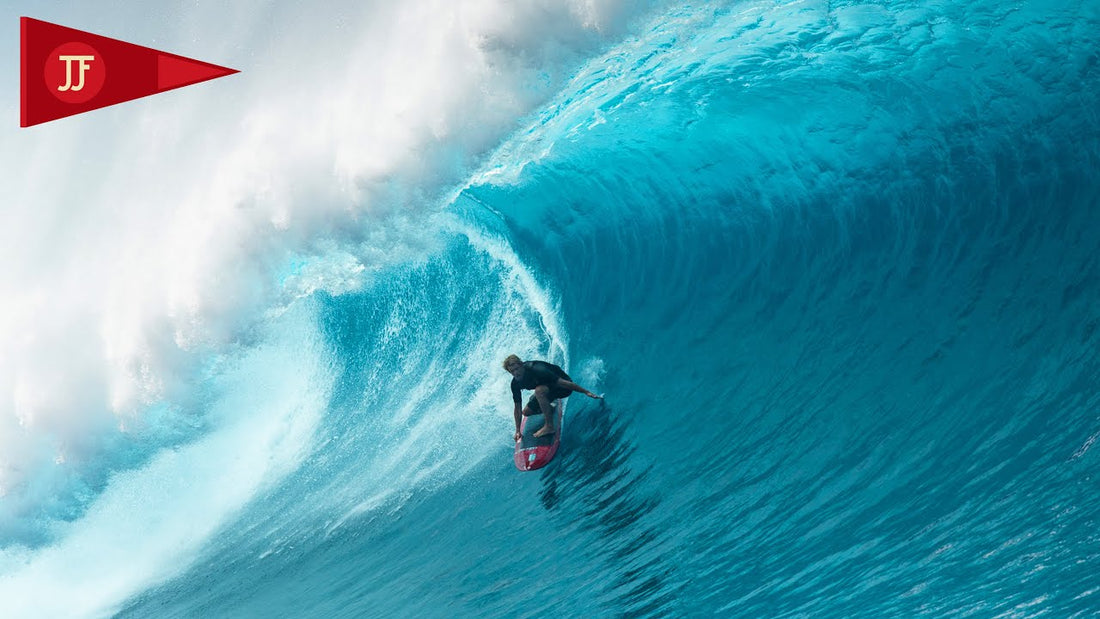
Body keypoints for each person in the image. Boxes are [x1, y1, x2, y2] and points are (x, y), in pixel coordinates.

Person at [503, 354, 602, 441]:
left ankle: (549, 426)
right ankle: (549, 407)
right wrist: (517, 431)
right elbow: (517, 408)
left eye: (517, 369)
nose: (516, 373)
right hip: (546, 389)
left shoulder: (537, 369)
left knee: (539, 391)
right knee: (527, 412)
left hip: (562, 387)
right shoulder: (515, 383)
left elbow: (563, 383)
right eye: (512, 371)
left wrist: (586, 392)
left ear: (521, 364)